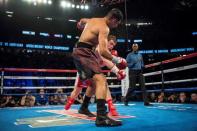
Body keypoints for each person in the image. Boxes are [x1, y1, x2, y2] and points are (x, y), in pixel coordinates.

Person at [72, 8, 126, 127]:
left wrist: (80, 25)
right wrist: (118, 60)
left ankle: (84, 107)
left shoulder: (93, 20)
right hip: (84, 52)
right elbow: (103, 51)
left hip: (79, 51)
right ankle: (101, 117)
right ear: (113, 19)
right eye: (116, 23)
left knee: (93, 83)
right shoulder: (105, 28)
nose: (116, 26)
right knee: (101, 80)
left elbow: (82, 20)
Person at [65, 35, 125, 116]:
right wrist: (118, 69)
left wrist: (118, 71)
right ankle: (70, 104)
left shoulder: (109, 53)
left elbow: (108, 63)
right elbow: (105, 61)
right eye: (110, 43)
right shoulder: (99, 47)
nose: (111, 46)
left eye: (113, 45)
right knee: (77, 90)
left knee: (101, 83)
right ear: (105, 41)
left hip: (93, 70)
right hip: (84, 67)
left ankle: (111, 107)